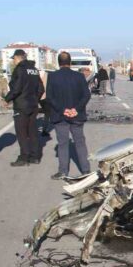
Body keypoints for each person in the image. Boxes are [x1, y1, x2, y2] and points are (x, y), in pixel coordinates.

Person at [46, 52, 92, 180]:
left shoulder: (52, 76)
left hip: (60, 116)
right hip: (77, 116)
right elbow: (86, 95)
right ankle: (86, 170)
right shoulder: (79, 76)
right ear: (70, 62)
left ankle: (63, 171)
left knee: (62, 144)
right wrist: (76, 109)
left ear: (58, 62)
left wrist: (63, 110)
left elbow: (50, 97)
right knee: (80, 143)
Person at [4, 49, 45, 167]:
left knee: (22, 133)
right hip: (33, 105)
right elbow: (41, 89)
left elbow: (17, 88)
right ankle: (35, 156)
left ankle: (24, 157)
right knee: (33, 132)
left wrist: (7, 99)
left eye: (14, 59)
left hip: (21, 106)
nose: (13, 61)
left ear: (18, 58)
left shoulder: (20, 69)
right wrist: (34, 99)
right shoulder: (34, 70)